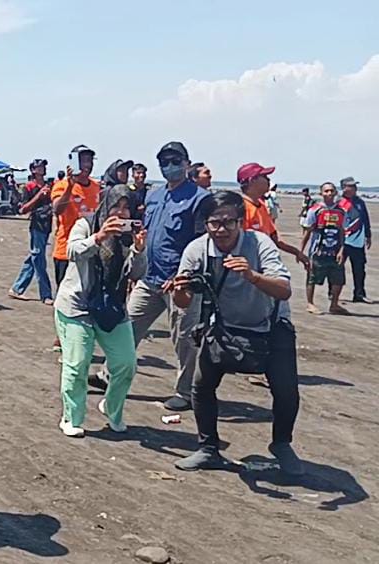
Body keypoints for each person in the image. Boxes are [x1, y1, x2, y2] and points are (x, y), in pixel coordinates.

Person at [170, 191, 302, 474]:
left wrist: (251, 275)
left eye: (229, 222)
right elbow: (183, 303)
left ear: (241, 222)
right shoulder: (197, 249)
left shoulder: (259, 243)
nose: (221, 230)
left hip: (270, 326)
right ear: (205, 224)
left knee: (286, 391)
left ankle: (282, 444)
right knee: (201, 386)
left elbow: (284, 290)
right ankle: (208, 448)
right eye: (214, 223)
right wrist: (180, 289)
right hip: (224, 326)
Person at [124, 141, 211, 411]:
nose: (169, 167)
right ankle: (109, 375)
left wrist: (185, 277)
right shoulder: (154, 196)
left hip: (179, 283)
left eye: (175, 161)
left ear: (187, 164)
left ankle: (186, 392)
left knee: (185, 340)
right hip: (148, 277)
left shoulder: (200, 199)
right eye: (164, 162)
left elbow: (203, 242)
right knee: (126, 329)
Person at [55, 184, 146, 437]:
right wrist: (100, 236)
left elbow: (138, 273)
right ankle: (71, 417)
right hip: (77, 306)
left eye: (126, 207)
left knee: (126, 363)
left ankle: (111, 407)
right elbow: (72, 251)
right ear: (105, 205)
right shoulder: (86, 224)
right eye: (116, 206)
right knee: (77, 363)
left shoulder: (128, 236)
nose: (121, 212)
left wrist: (139, 250)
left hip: (112, 307)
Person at [49, 146, 101, 352]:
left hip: (91, 250)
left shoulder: (96, 187)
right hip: (66, 251)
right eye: (82, 161)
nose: (86, 165)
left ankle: (79, 338)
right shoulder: (62, 185)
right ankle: (63, 337)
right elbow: (57, 209)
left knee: (88, 296)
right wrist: (70, 186)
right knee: (66, 298)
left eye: (90, 161)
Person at [238, 163, 310, 267]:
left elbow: (274, 238)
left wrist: (297, 252)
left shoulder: (261, 204)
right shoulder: (241, 208)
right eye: (264, 176)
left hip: (263, 261)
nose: (268, 180)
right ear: (252, 180)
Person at [9, 158, 55, 304]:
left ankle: (17, 288)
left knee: (34, 257)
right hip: (37, 225)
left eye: (43, 167)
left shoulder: (48, 185)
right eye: (39, 167)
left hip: (47, 224)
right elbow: (22, 209)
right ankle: (45, 294)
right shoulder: (28, 187)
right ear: (33, 170)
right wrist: (38, 196)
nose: (42, 169)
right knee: (39, 259)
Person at [301, 182, 349, 315]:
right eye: (326, 191)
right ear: (321, 193)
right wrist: (301, 252)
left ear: (336, 193)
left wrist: (342, 250)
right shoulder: (315, 210)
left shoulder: (341, 211)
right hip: (318, 251)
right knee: (312, 277)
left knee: (338, 279)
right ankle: (310, 303)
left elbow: (342, 232)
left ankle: (334, 304)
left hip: (335, 251)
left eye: (332, 191)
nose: (329, 193)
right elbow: (307, 232)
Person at [338, 177, 372, 303]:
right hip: (341, 241)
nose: (354, 188)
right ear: (344, 188)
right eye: (350, 186)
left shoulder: (360, 202)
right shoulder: (338, 202)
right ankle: (333, 293)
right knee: (337, 267)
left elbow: (365, 219)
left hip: (357, 241)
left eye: (354, 186)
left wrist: (368, 235)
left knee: (359, 269)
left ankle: (359, 294)